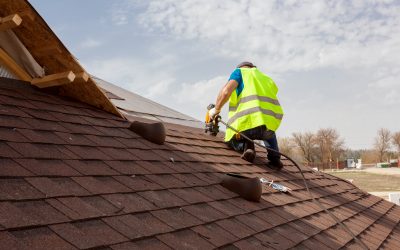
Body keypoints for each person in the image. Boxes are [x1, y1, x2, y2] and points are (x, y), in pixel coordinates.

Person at [208, 61, 284, 170]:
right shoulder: (265, 78)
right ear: (253, 68)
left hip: (248, 124)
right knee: (267, 129)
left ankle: (247, 147)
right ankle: (275, 158)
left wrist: (216, 109)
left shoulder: (240, 72)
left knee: (230, 139)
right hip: (269, 126)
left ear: (242, 68)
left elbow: (225, 92)